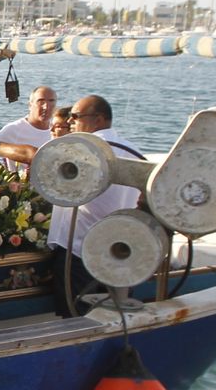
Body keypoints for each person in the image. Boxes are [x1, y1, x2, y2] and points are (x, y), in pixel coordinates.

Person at [49, 96, 145, 317]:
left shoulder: (81, 150)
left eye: (76, 116)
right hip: (119, 249)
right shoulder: (133, 149)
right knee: (115, 316)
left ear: (99, 120)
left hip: (79, 247)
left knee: (74, 317)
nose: (70, 121)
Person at [0, 85, 58, 172]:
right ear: (30, 105)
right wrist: (4, 176)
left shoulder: (57, 131)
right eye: (40, 101)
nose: (46, 107)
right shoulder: (13, 129)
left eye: (51, 101)